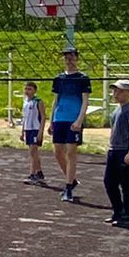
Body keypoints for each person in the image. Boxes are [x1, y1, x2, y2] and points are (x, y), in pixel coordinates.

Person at [45, 45, 92, 202]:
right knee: (57, 152)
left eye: (71, 56)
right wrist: (51, 121)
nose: (69, 59)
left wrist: (79, 120)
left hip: (73, 119)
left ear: (77, 58)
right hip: (60, 119)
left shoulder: (83, 78)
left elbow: (85, 101)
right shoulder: (59, 78)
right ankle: (71, 180)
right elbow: (55, 100)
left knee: (71, 152)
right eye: (66, 57)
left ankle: (67, 188)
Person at [103, 79, 129, 227]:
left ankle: (128, 215)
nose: (115, 94)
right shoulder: (117, 110)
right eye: (114, 91)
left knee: (127, 183)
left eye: (119, 91)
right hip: (114, 149)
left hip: (125, 149)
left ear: (128, 93)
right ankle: (117, 211)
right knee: (109, 182)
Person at [20, 80, 46, 185]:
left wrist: (41, 131)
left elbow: (43, 116)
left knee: (33, 152)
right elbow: (25, 117)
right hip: (28, 129)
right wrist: (22, 131)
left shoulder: (38, 101)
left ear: (35, 90)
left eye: (29, 89)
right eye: (26, 89)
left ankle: (32, 174)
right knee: (34, 153)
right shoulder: (25, 102)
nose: (27, 91)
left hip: (35, 128)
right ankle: (39, 172)